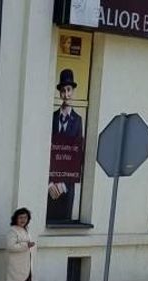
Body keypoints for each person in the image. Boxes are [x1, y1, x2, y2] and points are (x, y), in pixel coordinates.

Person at [48, 69, 84, 222]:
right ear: (60, 93)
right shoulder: (52, 117)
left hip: (67, 184)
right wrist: (50, 182)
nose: (66, 94)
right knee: (49, 220)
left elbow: (77, 154)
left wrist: (64, 180)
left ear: (73, 91)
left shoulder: (78, 120)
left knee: (64, 222)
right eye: (63, 91)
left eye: (69, 90)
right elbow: (46, 151)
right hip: (51, 185)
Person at [5, 207, 36, 281]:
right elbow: (10, 246)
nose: (23, 220)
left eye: (25, 217)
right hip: (15, 264)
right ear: (16, 218)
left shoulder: (25, 230)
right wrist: (26, 245)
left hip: (24, 263)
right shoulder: (13, 230)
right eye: (21, 217)